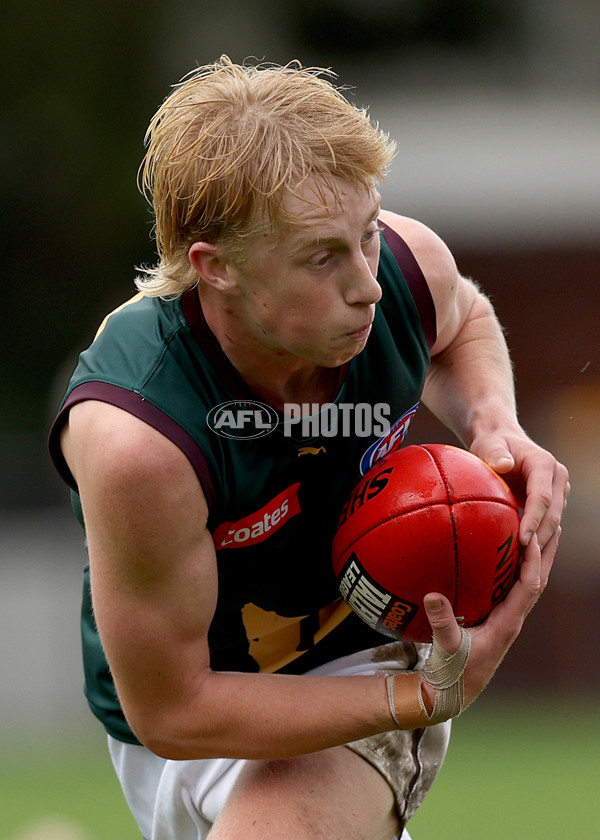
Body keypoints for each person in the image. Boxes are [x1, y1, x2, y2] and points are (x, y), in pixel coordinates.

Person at [49, 56, 569, 840]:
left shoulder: (406, 268)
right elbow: (173, 709)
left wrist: (495, 420)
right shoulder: (141, 438)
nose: (367, 282)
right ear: (214, 268)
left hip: (357, 661)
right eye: (323, 256)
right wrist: (430, 696)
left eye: (368, 233)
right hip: (192, 717)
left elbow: (462, 319)